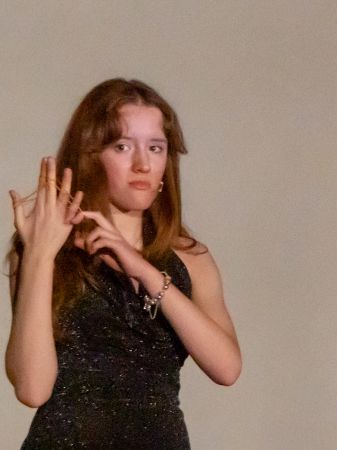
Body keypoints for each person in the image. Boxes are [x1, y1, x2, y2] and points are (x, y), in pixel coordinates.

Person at [5, 79, 241, 449]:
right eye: (122, 146)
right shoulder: (45, 251)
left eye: (155, 147)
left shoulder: (190, 257)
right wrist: (38, 256)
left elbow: (227, 368)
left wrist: (145, 272)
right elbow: (32, 389)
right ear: (91, 155)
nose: (143, 164)